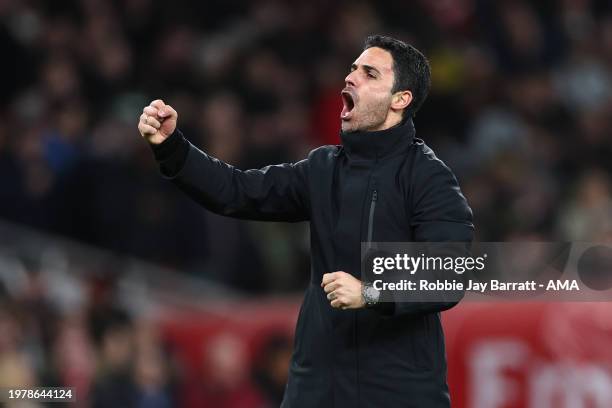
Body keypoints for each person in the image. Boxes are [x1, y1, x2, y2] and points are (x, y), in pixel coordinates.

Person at [137, 34, 473, 408]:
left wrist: (370, 292)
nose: (351, 77)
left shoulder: (428, 177)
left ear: (400, 99)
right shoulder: (322, 168)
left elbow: (448, 273)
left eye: (369, 73)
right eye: (353, 68)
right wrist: (172, 147)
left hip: (398, 393)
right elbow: (236, 191)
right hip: (316, 389)